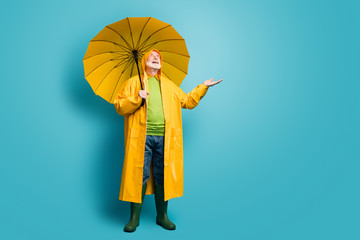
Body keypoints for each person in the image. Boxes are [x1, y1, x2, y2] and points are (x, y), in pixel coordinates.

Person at [114, 49, 222, 232]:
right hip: (141, 138)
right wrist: (136, 98)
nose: (156, 59)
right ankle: (134, 218)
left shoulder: (170, 86)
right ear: (144, 62)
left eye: (158, 57)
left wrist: (203, 86)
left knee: (162, 175)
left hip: (165, 138)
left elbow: (187, 101)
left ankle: (162, 216)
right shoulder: (133, 83)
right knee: (138, 176)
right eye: (152, 56)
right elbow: (119, 106)